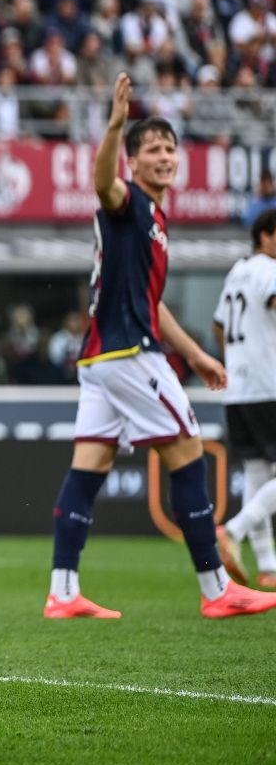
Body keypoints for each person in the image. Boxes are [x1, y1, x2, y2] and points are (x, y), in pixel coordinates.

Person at [44, 73, 276, 620]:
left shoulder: (153, 219)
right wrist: (114, 127)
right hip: (129, 354)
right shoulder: (129, 203)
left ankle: (63, 591)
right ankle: (217, 589)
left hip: (100, 359)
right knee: (188, 453)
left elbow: (153, 303)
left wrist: (195, 355)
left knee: (88, 467)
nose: (165, 156)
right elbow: (103, 183)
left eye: (170, 148)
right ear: (133, 161)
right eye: (152, 149)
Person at [213, 208, 276, 590]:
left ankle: (268, 566)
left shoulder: (237, 271)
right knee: (262, 474)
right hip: (268, 385)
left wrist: (237, 359)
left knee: (256, 473)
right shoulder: (269, 268)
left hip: (238, 388)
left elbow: (219, 325)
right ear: (265, 236)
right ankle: (233, 530)